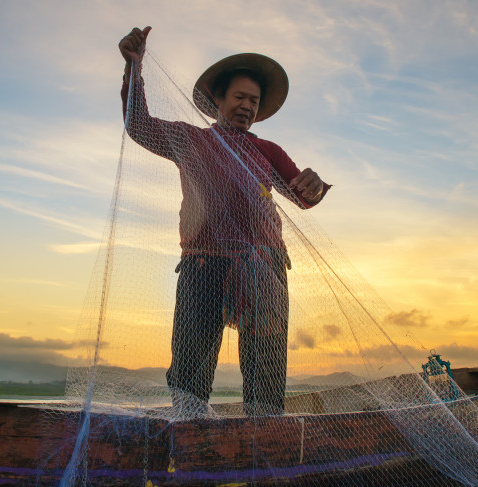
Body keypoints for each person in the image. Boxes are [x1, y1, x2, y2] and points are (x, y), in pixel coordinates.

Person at [118, 26, 329, 417]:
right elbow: (139, 125)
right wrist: (134, 69)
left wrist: (314, 186)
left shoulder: (268, 150)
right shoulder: (191, 140)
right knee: (191, 364)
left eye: (254, 100)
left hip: (265, 268)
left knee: (266, 370)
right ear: (218, 99)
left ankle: (265, 437)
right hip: (204, 264)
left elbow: (303, 196)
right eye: (239, 97)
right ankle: (189, 429)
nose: (247, 106)